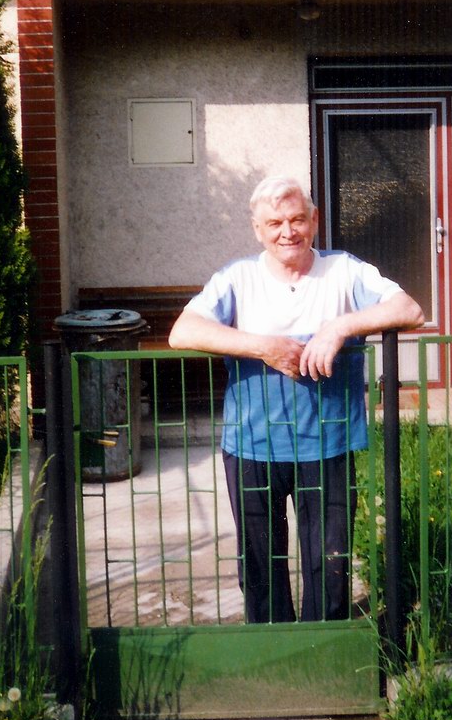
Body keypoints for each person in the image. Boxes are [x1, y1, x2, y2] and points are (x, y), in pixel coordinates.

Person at [169, 176, 424, 624]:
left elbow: (410, 310)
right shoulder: (238, 278)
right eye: (275, 223)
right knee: (261, 565)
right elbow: (182, 332)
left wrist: (340, 327)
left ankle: (323, 645)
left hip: (328, 445)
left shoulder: (344, 270)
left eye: (297, 220)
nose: (287, 231)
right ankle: (275, 651)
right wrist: (261, 346)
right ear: (257, 229)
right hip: (252, 445)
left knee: (330, 562)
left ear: (314, 221)